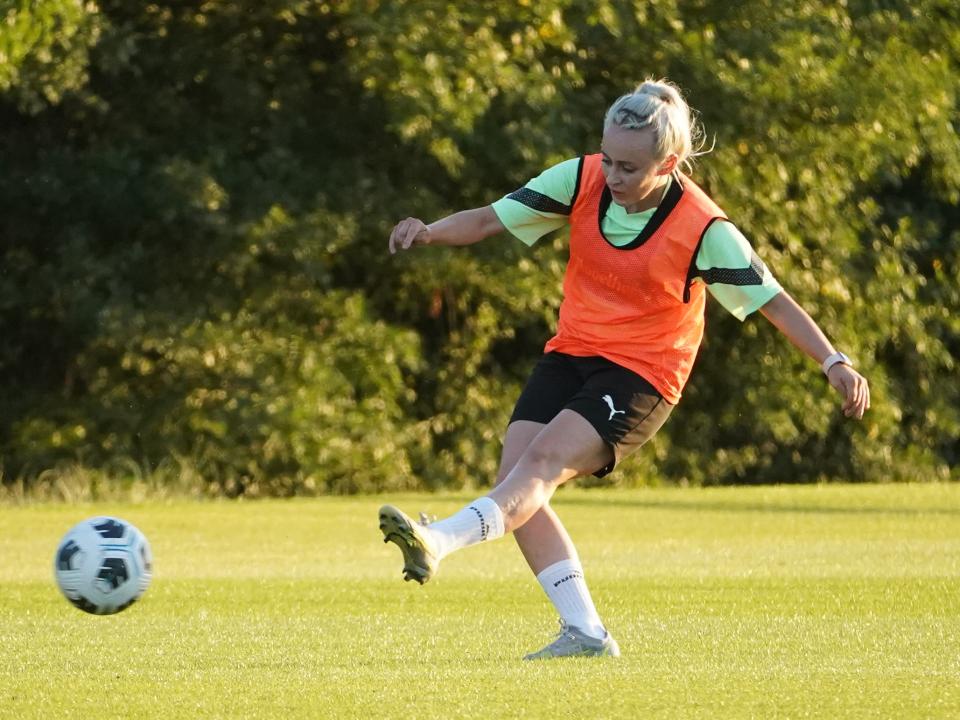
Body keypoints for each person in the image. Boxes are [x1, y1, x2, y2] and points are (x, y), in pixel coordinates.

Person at [378, 79, 870, 660]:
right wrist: (431, 231)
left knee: (537, 466)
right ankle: (586, 635)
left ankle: (437, 540)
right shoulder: (582, 178)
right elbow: (491, 219)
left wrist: (833, 359)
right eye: (608, 159)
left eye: (629, 167)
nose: (613, 175)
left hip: (643, 374)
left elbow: (772, 299)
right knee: (519, 483)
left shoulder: (703, 228)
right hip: (573, 352)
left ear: (669, 162)